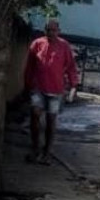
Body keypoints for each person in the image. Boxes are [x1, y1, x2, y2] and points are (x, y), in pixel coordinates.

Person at [23, 19, 79, 165]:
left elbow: (71, 67)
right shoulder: (37, 44)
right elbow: (29, 67)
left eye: (54, 30)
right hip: (38, 88)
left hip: (56, 89)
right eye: (48, 30)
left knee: (51, 121)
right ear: (44, 30)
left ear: (58, 31)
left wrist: (73, 86)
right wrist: (27, 86)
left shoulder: (64, 46)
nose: (51, 33)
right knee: (35, 114)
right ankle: (35, 149)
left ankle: (47, 153)